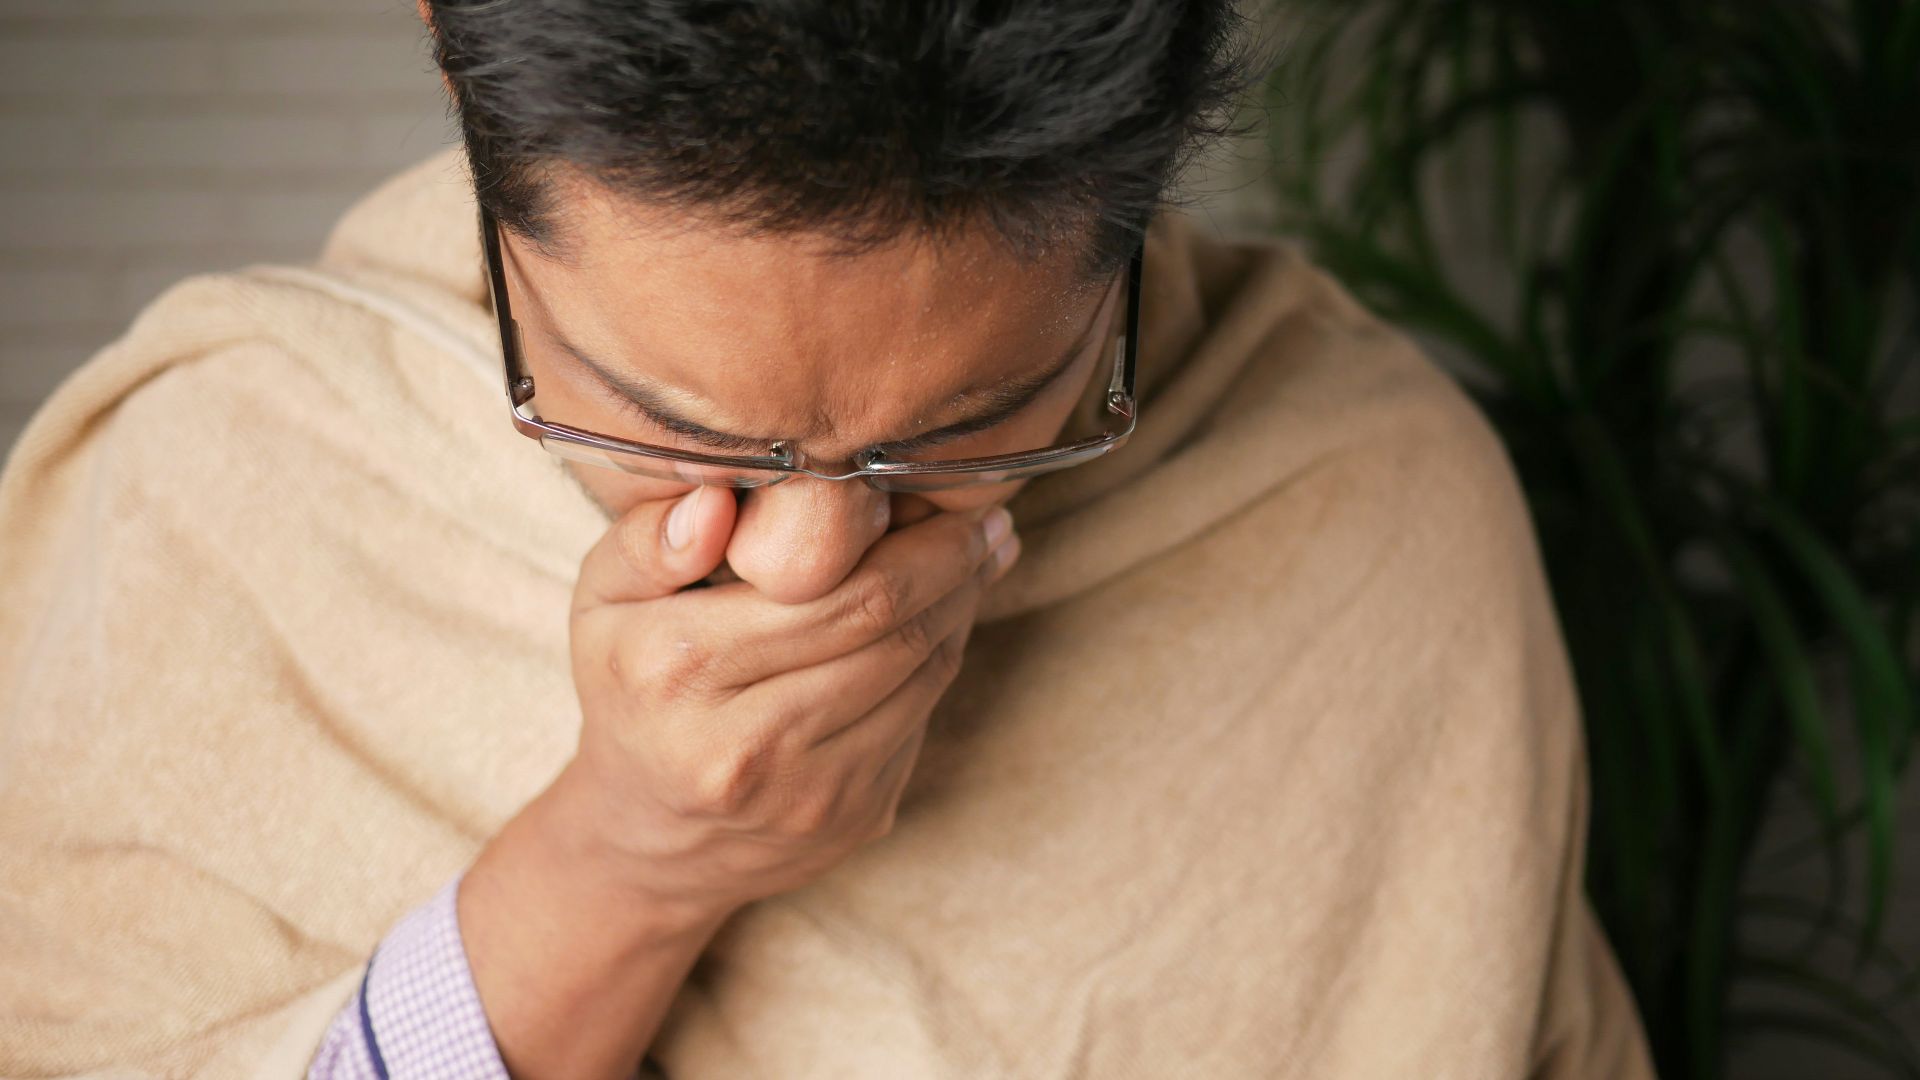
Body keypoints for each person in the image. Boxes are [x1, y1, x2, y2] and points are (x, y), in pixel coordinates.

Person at [0, 1, 1657, 1078]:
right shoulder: (217, 493)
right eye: (658, 420)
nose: (806, 560)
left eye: (974, 425)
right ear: (450, 62)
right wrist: (617, 868)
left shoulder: (1375, 510)